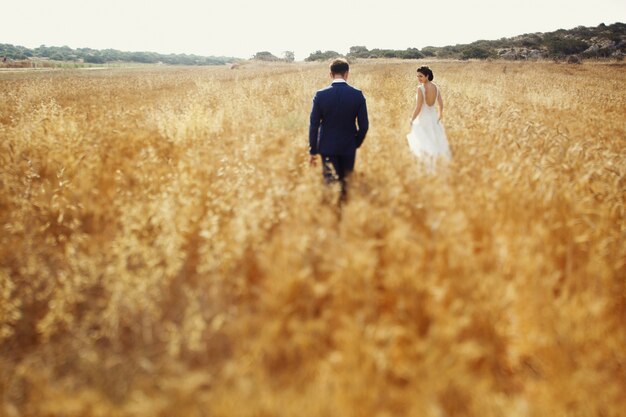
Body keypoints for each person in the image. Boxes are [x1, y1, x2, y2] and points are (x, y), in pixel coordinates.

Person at [309, 58, 369, 202]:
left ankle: (332, 216)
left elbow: (314, 124)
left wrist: (313, 150)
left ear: (331, 74)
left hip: (327, 146)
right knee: (345, 183)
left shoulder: (320, 95)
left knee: (330, 183)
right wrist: (355, 142)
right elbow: (364, 125)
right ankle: (344, 213)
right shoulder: (357, 94)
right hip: (348, 146)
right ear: (347, 73)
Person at [406, 66, 451, 171]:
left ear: (427, 76)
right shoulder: (436, 87)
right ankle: (436, 167)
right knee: (435, 141)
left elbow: (418, 107)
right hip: (433, 118)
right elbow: (441, 104)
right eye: (417, 76)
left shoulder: (420, 88)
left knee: (424, 143)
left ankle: (428, 168)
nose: (419, 78)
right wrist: (439, 115)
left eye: (421, 76)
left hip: (423, 119)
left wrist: (412, 119)